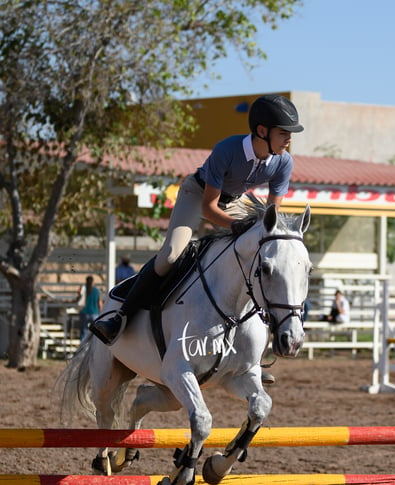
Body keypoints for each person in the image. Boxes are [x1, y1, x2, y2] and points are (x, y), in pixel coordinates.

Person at [90, 94, 304, 347]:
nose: (289, 139)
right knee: (171, 254)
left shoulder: (283, 162)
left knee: (254, 257)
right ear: (261, 131)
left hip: (234, 201)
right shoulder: (228, 149)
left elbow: (271, 219)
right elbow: (210, 207)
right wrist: (235, 226)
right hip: (198, 194)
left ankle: (250, 354)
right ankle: (120, 316)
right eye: (283, 133)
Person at [76, 275, 102, 341]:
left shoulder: (83, 289)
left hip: (84, 313)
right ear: (93, 282)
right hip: (94, 313)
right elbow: (99, 303)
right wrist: (101, 312)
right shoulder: (96, 291)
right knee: (96, 333)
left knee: (83, 332)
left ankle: (83, 348)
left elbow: (78, 300)